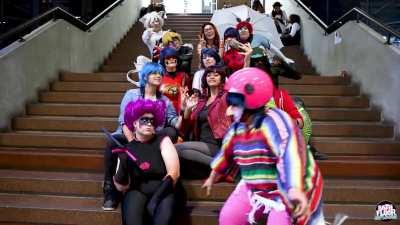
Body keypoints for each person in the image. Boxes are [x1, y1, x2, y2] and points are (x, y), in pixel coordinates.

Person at [202, 68, 325, 225]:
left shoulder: (276, 123)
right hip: (255, 186)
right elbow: (227, 149)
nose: (230, 110)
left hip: (287, 187)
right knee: (229, 218)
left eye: (235, 104)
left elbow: (290, 157)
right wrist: (215, 173)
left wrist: (294, 189)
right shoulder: (237, 127)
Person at [102, 62, 181, 211]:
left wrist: (185, 114)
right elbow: (123, 121)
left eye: (160, 73)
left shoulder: (164, 100)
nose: (158, 76)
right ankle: (110, 190)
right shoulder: (132, 94)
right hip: (129, 135)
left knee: (171, 132)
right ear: (145, 76)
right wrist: (133, 142)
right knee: (113, 142)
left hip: (151, 138)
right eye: (153, 73)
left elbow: (172, 120)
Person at [112, 99, 181, 225]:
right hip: (138, 191)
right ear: (135, 123)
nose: (149, 124)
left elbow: (174, 173)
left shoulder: (163, 140)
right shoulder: (127, 149)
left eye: (152, 121)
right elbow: (121, 186)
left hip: (164, 190)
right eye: (144, 120)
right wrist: (122, 163)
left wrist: (154, 200)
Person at [176, 65, 231, 169]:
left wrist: (247, 60)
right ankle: (220, 166)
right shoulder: (202, 101)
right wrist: (187, 108)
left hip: (217, 145)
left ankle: (223, 165)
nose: (212, 77)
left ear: (222, 78)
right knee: (177, 150)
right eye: (209, 75)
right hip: (201, 144)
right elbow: (187, 126)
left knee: (176, 148)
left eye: (216, 75)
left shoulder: (226, 97)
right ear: (205, 79)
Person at [159, 47, 190, 115]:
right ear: (163, 61)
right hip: (165, 112)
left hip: (181, 112)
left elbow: (188, 93)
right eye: (168, 58)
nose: (172, 59)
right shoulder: (159, 77)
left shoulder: (184, 76)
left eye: (174, 57)